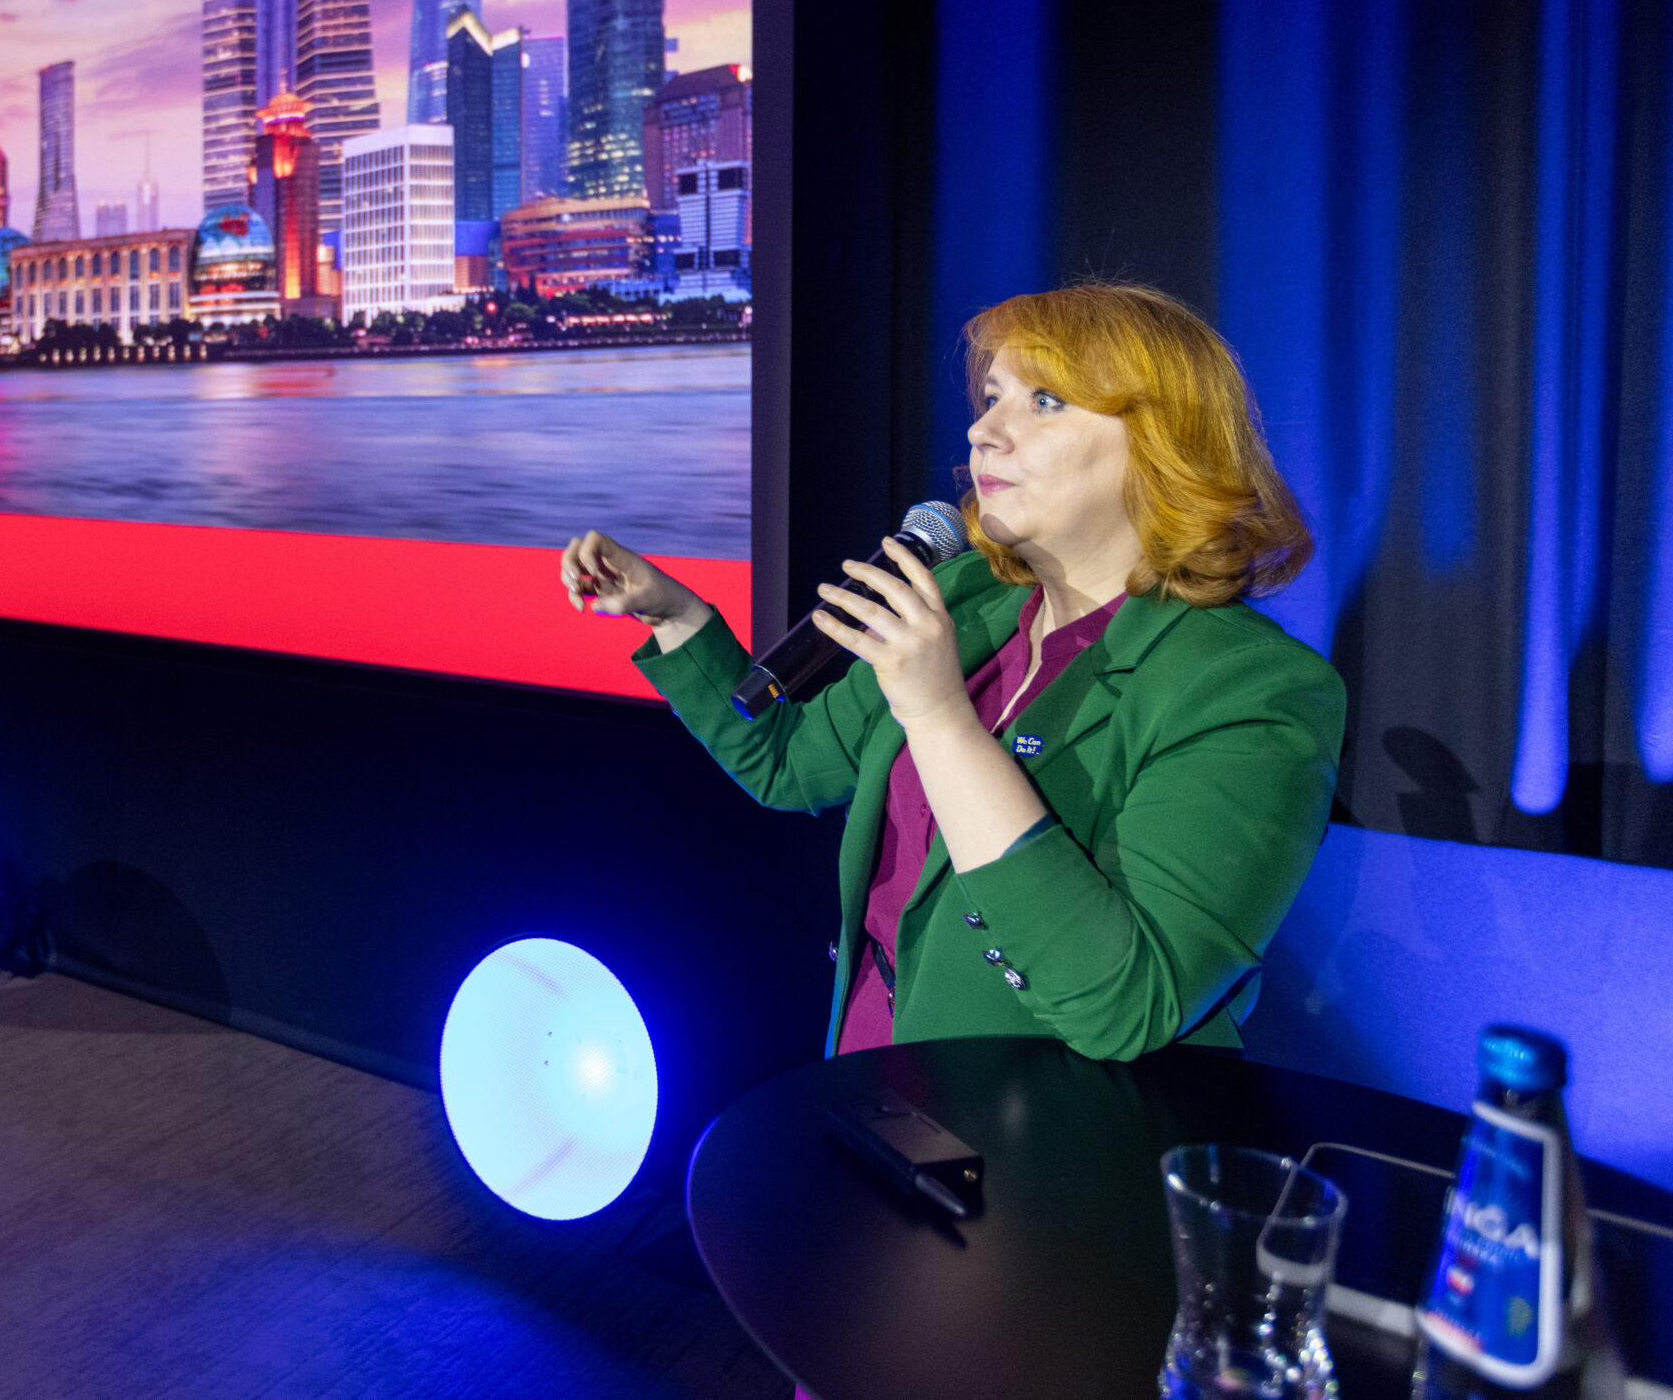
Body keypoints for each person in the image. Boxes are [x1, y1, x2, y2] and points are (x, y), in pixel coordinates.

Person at [560, 283, 1343, 1061]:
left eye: (1044, 402)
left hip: (1051, 1125)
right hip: (872, 1069)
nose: (982, 431)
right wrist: (672, 614)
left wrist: (939, 719)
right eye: (993, 397)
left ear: (1159, 444)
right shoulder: (968, 598)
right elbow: (787, 762)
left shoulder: (1251, 688)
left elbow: (1124, 1006)